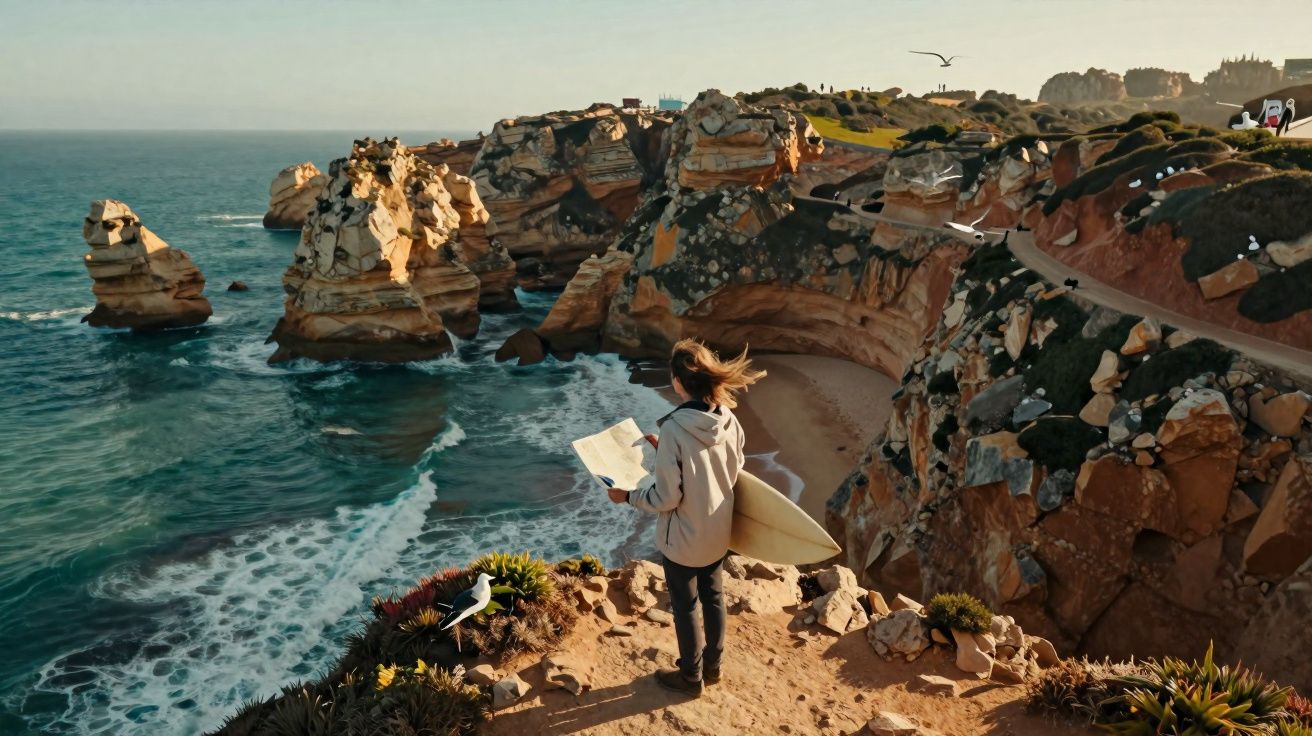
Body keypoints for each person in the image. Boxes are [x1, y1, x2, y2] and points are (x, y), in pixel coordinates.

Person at [608, 338, 765, 696]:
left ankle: (690, 678)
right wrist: (665, 452)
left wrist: (627, 496)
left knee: (685, 608)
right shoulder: (728, 419)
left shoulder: (676, 428)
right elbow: (731, 466)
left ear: (678, 382)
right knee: (713, 598)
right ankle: (713, 668)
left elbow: (666, 497)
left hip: (683, 540)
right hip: (718, 530)